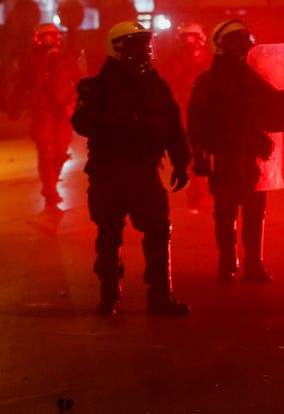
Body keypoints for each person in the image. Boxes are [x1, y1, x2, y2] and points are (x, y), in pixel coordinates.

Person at [71, 21, 191, 316]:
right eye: (136, 44)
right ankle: (109, 294)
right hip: (109, 170)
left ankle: (161, 295)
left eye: (145, 43)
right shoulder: (97, 85)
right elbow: (81, 121)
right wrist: (125, 123)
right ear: (119, 48)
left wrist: (181, 160)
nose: (145, 50)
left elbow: (174, 124)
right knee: (109, 232)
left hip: (144, 170)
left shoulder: (155, 84)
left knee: (159, 229)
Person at [186, 19, 284, 283]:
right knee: (225, 213)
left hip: (252, 157)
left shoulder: (252, 78)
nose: (241, 47)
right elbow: (196, 121)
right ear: (220, 46)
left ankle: (254, 263)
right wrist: (197, 155)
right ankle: (227, 263)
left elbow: (273, 111)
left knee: (255, 214)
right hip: (224, 157)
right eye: (235, 41)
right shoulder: (208, 81)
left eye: (244, 40)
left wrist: (283, 105)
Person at [11, 23, 82, 207]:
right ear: (38, 40)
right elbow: (21, 85)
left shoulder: (64, 59)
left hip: (62, 114)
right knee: (45, 150)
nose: (48, 41)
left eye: (51, 37)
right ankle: (50, 190)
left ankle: (50, 185)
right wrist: (14, 106)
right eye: (45, 37)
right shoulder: (31, 62)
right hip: (42, 113)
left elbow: (78, 80)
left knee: (60, 153)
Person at [159, 21, 211, 211]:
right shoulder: (173, 62)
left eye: (191, 37)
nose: (188, 41)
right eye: (184, 37)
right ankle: (199, 195)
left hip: (208, 116)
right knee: (191, 157)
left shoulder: (211, 61)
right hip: (184, 117)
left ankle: (209, 192)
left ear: (201, 38)